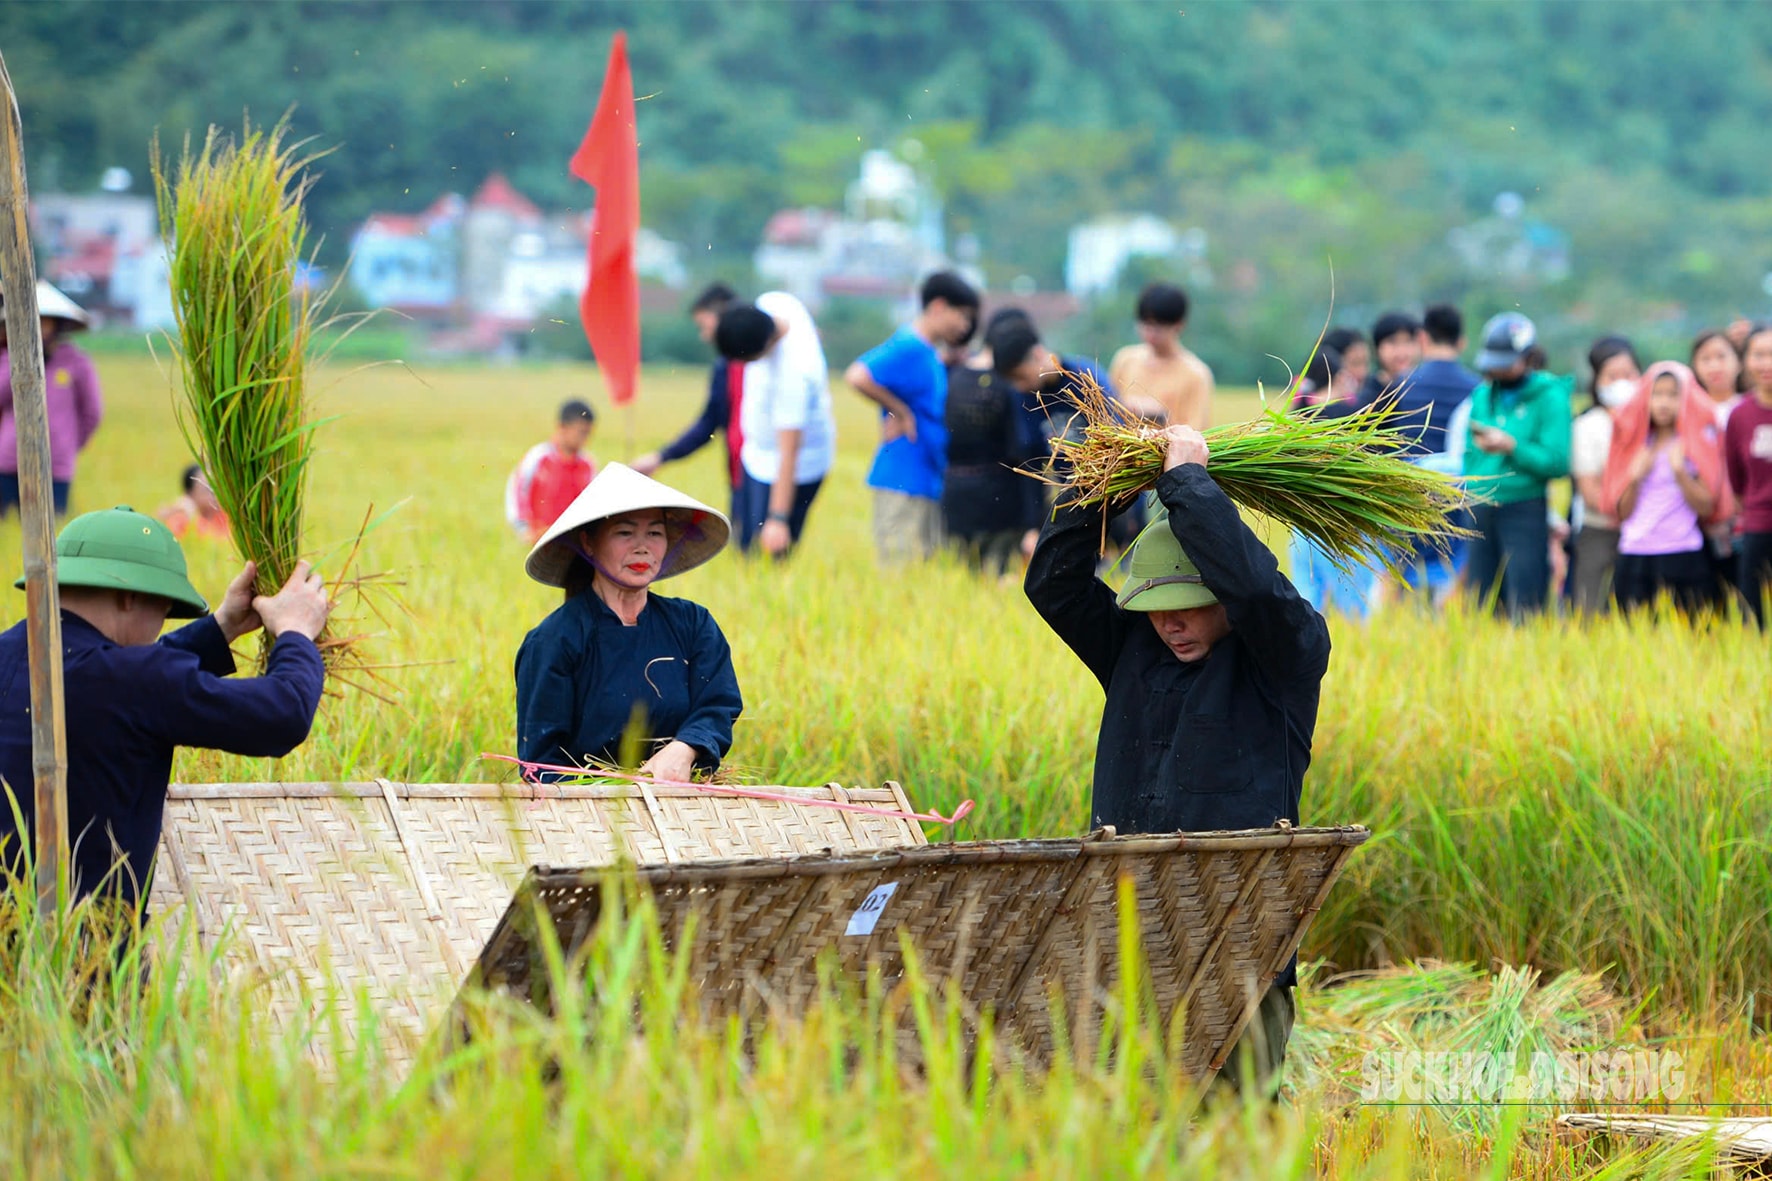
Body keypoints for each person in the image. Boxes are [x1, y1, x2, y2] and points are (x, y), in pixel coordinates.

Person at [1024, 424, 1330, 1092]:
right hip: (1128, 932)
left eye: (1189, 605)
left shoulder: (1284, 658)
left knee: (1234, 1130)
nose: (1171, 623)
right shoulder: (1132, 648)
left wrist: (1188, 482)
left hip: (1241, 943)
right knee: (1126, 1118)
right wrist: (1097, 486)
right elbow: (1053, 582)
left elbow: (1256, 587)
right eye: (1156, 608)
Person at [0, 507, 328, 904]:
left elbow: (125, 676)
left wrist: (222, 627)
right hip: (84, 955)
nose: (162, 622)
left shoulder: (13, 653)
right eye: (163, 609)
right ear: (129, 596)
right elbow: (284, 713)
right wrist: (296, 631)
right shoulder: (131, 680)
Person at [515, 463, 742, 782]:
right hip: (585, 810)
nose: (642, 547)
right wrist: (612, 794)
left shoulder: (693, 624)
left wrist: (684, 749)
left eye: (654, 533)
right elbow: (541, 761)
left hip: (680, 797)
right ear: (588, 542)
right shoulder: (555, 641)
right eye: (625, 532)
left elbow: (718, 703)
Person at [845, 272, 980, 566]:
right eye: (962, 316)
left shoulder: (928, 352)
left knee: (921, 570)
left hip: (924, 477)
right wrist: (900, 411)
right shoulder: (910, 346)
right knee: (900, 569)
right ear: (939, 306)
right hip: (902, 479)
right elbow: (857, 376)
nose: (966, 326)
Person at [1599, 362, 1732, 618]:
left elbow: (1707, 505)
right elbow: (1622, 513)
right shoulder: (1635, 446)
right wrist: (1635, 478)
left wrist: (1681, 473)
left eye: (1673, 395)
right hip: (1636, 551)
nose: (1663, 403)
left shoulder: (1693, 446)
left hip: (1683, 550)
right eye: (1657, 394)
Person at [711, 291, 837, 558]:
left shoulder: (794, 375)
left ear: (765, 347)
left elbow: (789, 452)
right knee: (744, 540)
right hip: (757, 454)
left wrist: (778, 518)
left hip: (792, 468)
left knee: (768, 551)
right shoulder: (775, 303)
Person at [1461, 313, 1571, 618]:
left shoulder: (1550, 397)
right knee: (1482, 599)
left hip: (1523, 505)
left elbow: (1558, 462)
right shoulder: (1483, 394)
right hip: (1480, 504)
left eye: (1506, 362)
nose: (1498, 369)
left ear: (1529, 357)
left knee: (1527, 598)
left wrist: (1513, 447)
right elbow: (1470, 453)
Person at [1381, 304, 1482, 600]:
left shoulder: (1403, 384)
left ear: (1422, 338)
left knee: (1405, 578)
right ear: (1461, 342)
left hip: (1409, 493)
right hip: (1456, 494)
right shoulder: (1477, 388)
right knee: (1448, 578)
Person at [631, 283, 745, 525]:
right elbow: (708, 424)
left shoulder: (764, 365)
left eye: (704, 326)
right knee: (745, 549)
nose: (704, 336)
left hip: (769, 474)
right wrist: (661, 456)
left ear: (725, 316)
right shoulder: (724, 367)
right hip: (740, 475)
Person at [941, 321, 1047, 577]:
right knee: (999, 577)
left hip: (955, 496)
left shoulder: (953, 376)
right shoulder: (1012, 386)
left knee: (962, 578)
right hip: (1002, 502)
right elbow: (1025, 453)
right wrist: (1034, 521)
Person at [1284, 348, 1377, 618]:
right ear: (1338, 376)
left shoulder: (1297, 416)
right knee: (1354, 611)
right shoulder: (1351, 412)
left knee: (1306, 605)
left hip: (1302, 525)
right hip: (1344, 523)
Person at [0, 280, 104, 518]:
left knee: (52, 524)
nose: (39, 329)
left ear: (58, 326)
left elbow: (92, 412)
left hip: (56, 462)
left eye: (44, 323)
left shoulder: (76, 362)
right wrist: (21, 365)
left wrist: (68, 443)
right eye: (32, 323)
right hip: (9, 459)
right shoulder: (8, 359)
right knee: (6, 527)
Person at [1566, 337, 1641, 613]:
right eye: (1612, 376)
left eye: (1628, 374)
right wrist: (1627, 510)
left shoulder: (1652, 422)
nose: (1621, 382)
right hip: (1600, 529)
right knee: (1591, 610)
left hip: (1646, 534)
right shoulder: (1588, 426)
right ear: (1597, 380)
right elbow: (1589, 491)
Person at [1107, 282, 1215, 430]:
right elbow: (1107, 412)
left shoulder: (1196, 374)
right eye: (1145, 324)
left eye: (1158, 327)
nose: (1150, 333)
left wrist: (1160, 416)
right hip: (1121, 451)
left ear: (1178, 325)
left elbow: (1196, 434)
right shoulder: (1125, 359)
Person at [1691, 329, 1746, 599]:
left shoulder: (1751, 408)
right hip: (1701, 526)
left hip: (1750, 522)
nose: (1714, 366)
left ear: (1738, 361)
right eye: (1705, 358)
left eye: (1721, 356)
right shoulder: (1689, 415)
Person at [1724, 325, 1772, 626]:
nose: (1767, 364)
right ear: (1745, 361)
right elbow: (1737, 482)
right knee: (1754, 621)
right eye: (1759, 355)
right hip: (1758, 530)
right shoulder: (1739, 416)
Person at [506, 400, 598, 546]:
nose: (584, 439)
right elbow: (518, 491)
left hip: (573, 544)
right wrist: (522, 528)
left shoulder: (588, 465)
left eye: (588, 433)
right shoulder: (538, 457)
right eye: (581, 432)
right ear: (562, 427)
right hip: (538, 541)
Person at [1358, 311, 1422, 408]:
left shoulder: (1425, 390)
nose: (1402, 351)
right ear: (1377, 348)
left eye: (1408, 341)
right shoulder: (1365, 396)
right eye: (1393, 342)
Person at [158, 464, 232, 542]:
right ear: (190, 493)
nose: (215, 493)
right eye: (208, 488)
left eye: (217, 487)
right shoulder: (182, 522)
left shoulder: (227, 517)